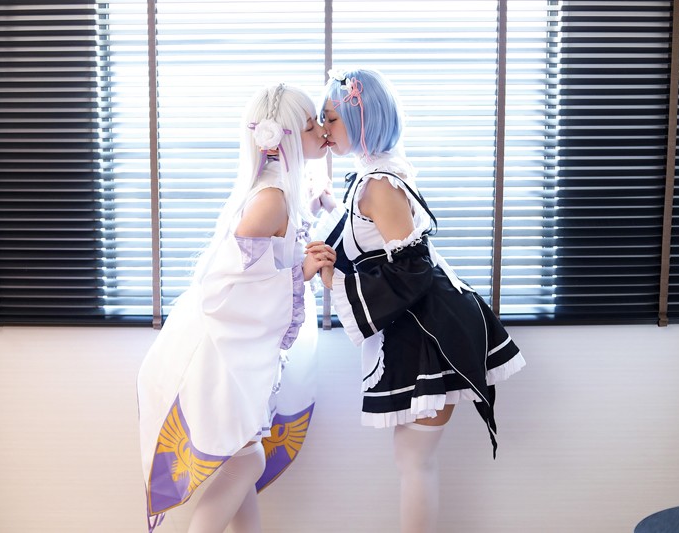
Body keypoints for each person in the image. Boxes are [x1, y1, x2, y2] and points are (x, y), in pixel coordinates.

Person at [317, 68, 526, 533]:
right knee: (413, 460)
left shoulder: (378, 184)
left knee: (414, 461)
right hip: (424, 323)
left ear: (361, 121)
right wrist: (330, 206)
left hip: (432, 329)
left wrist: (333, 279)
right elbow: (376, 235)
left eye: (330, 118)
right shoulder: (374, 176)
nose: (323, 128)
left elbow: (411, 270)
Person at [137, 82, 335, 533]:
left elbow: (268, 254)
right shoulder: (272, 199)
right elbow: (225, 287)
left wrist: (314, 211)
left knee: (243, 461)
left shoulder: (279, 192)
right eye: (310, 125)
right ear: (283, 138)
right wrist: (300, 273)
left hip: (232, 349)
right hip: (221, 353)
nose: (322, 131)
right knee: (246, 461)